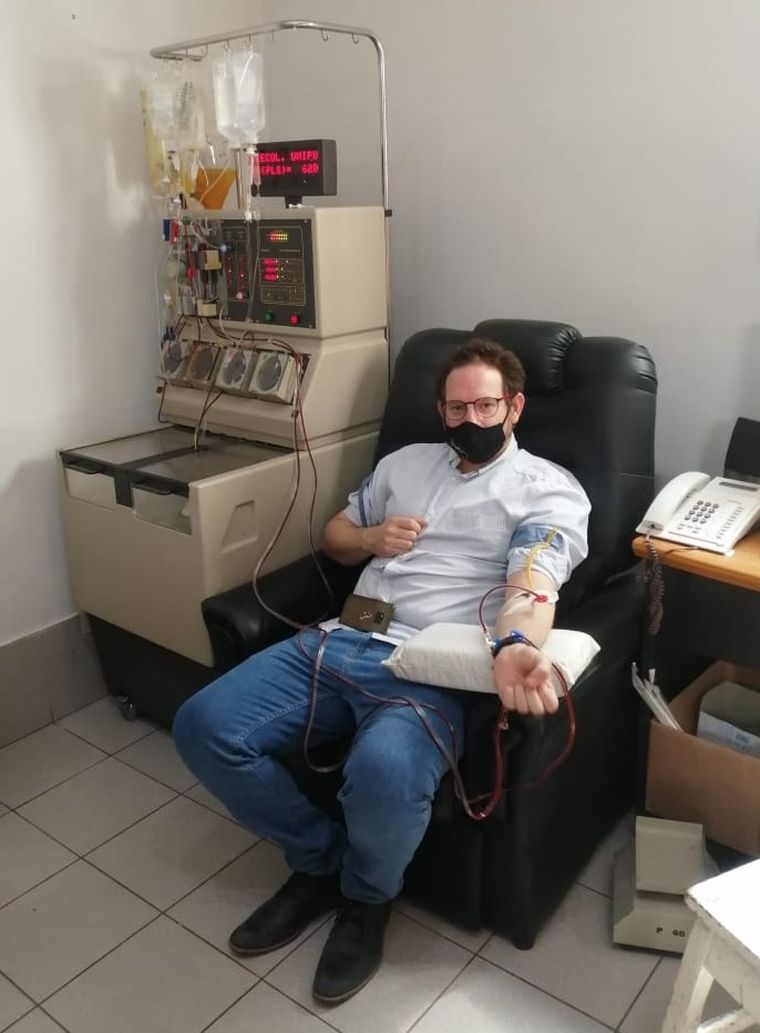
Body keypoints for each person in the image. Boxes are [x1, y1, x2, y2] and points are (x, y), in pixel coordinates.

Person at [173, 338, 590, 1004]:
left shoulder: (544, 488)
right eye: (457, 407)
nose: (471, 420)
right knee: (202, 726)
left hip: (429, 668)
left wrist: (515, 641)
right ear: (440, 410)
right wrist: (371, 538)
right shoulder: (404, 464)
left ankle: (366, 900)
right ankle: (320, 859)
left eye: (485, 405)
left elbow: (534, 577)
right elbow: (336, 533)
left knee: (386, 771)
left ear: (514, 407)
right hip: (342, 641)